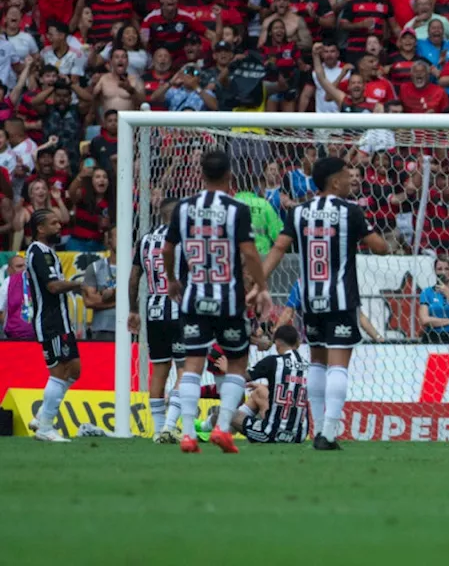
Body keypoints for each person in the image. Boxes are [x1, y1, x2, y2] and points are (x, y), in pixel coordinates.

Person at [263, 156, 390, 450]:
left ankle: (319, 429)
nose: (352, 180)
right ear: (334, 181)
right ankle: (329, 433)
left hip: (310, 301)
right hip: (341, 299)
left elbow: (279, 247)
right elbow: (380, 248)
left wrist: (258, 282)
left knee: (317, 364)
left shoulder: (299, 213)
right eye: (347, 176)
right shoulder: (351, 212)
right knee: (338, 367)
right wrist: (382, 242)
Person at [163, 150, 269, 454]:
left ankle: (186, 434)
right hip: (228, 300)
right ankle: (222, 429)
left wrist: (172, 279)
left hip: (194, 298)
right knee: (237, 362)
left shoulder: (183, 208)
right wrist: (261, 285)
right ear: (229, 177)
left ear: (201, 175)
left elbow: (168, 249)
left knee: (192, 366)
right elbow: (249, 252)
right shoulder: (237, 208)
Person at [26, 209, 86, 442]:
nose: (59, 225)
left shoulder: (47, 252)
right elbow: (52, 287)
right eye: (53, 223)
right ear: (40, 229)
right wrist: (78, 285)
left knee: (75, 370)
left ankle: (41, 415)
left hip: (61, 321)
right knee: (59, 373)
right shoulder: (39, 253)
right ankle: (45, 428)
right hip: (50, 322)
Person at [196, 325, 310, 444]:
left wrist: (228, 369)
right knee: (259, 392)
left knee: (224, 411)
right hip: (299, 436)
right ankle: (214, 429)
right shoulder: (308, 366)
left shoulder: (273, 361)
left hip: (272, 433)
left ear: (277, 343)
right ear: (297, 342)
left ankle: (205, 429)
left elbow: (242, 377)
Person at [131, 198, 184, 442]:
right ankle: (169, 426)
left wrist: (133, 310)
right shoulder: (181, 239)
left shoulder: (144, 241)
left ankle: (158, 428)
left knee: (159, 370)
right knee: (186, 369)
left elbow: (134, 278)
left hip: (153, 309)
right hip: (179, 308)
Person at [417, 256, 449, 344]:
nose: (443, 272)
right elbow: (424, 320)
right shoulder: (427, 292)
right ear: (435, 271)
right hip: (432, 337)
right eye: (439, 269)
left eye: (447, 269)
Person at [80, 226, 118, 341]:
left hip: (131, 327)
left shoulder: (135, 267)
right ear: (109, 241)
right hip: (103, 329)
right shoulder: (95, 267)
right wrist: (121, 301)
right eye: (118, 236)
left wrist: (110, 296)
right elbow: (89, 301)